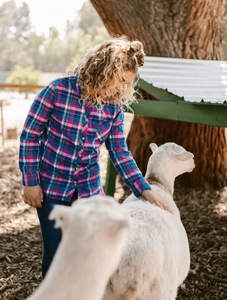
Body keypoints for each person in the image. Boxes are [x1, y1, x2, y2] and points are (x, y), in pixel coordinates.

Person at [19, 36, 172, 278]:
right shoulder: (57, 90)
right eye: (119, 80)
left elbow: (119, 152)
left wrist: (145, 190)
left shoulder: (113, 108)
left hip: (88, 189)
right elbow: (30, 135)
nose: (121, 89)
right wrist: (30, 181)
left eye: (126, 84)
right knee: (57, 251)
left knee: (93, 248)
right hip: (50, 186)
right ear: (103, 69)